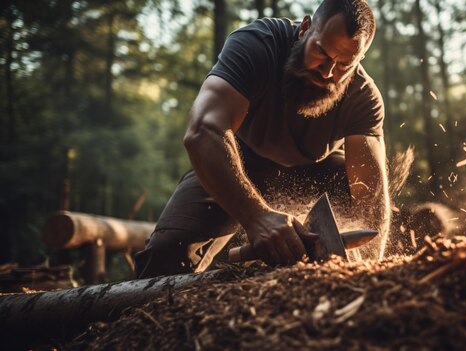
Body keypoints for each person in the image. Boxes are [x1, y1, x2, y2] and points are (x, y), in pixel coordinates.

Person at [134, 0, 390, 278]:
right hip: (237, 161)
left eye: (343, 65)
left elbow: (371, 198)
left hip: (316, 175)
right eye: (321, 52)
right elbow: (202, 130)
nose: (328, 72)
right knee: (166, 252)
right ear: (305, 29)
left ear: (359, 58)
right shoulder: (257, 44)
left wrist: (370, 270)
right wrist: (258, 218)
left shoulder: (364, 97)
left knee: (355, 188)